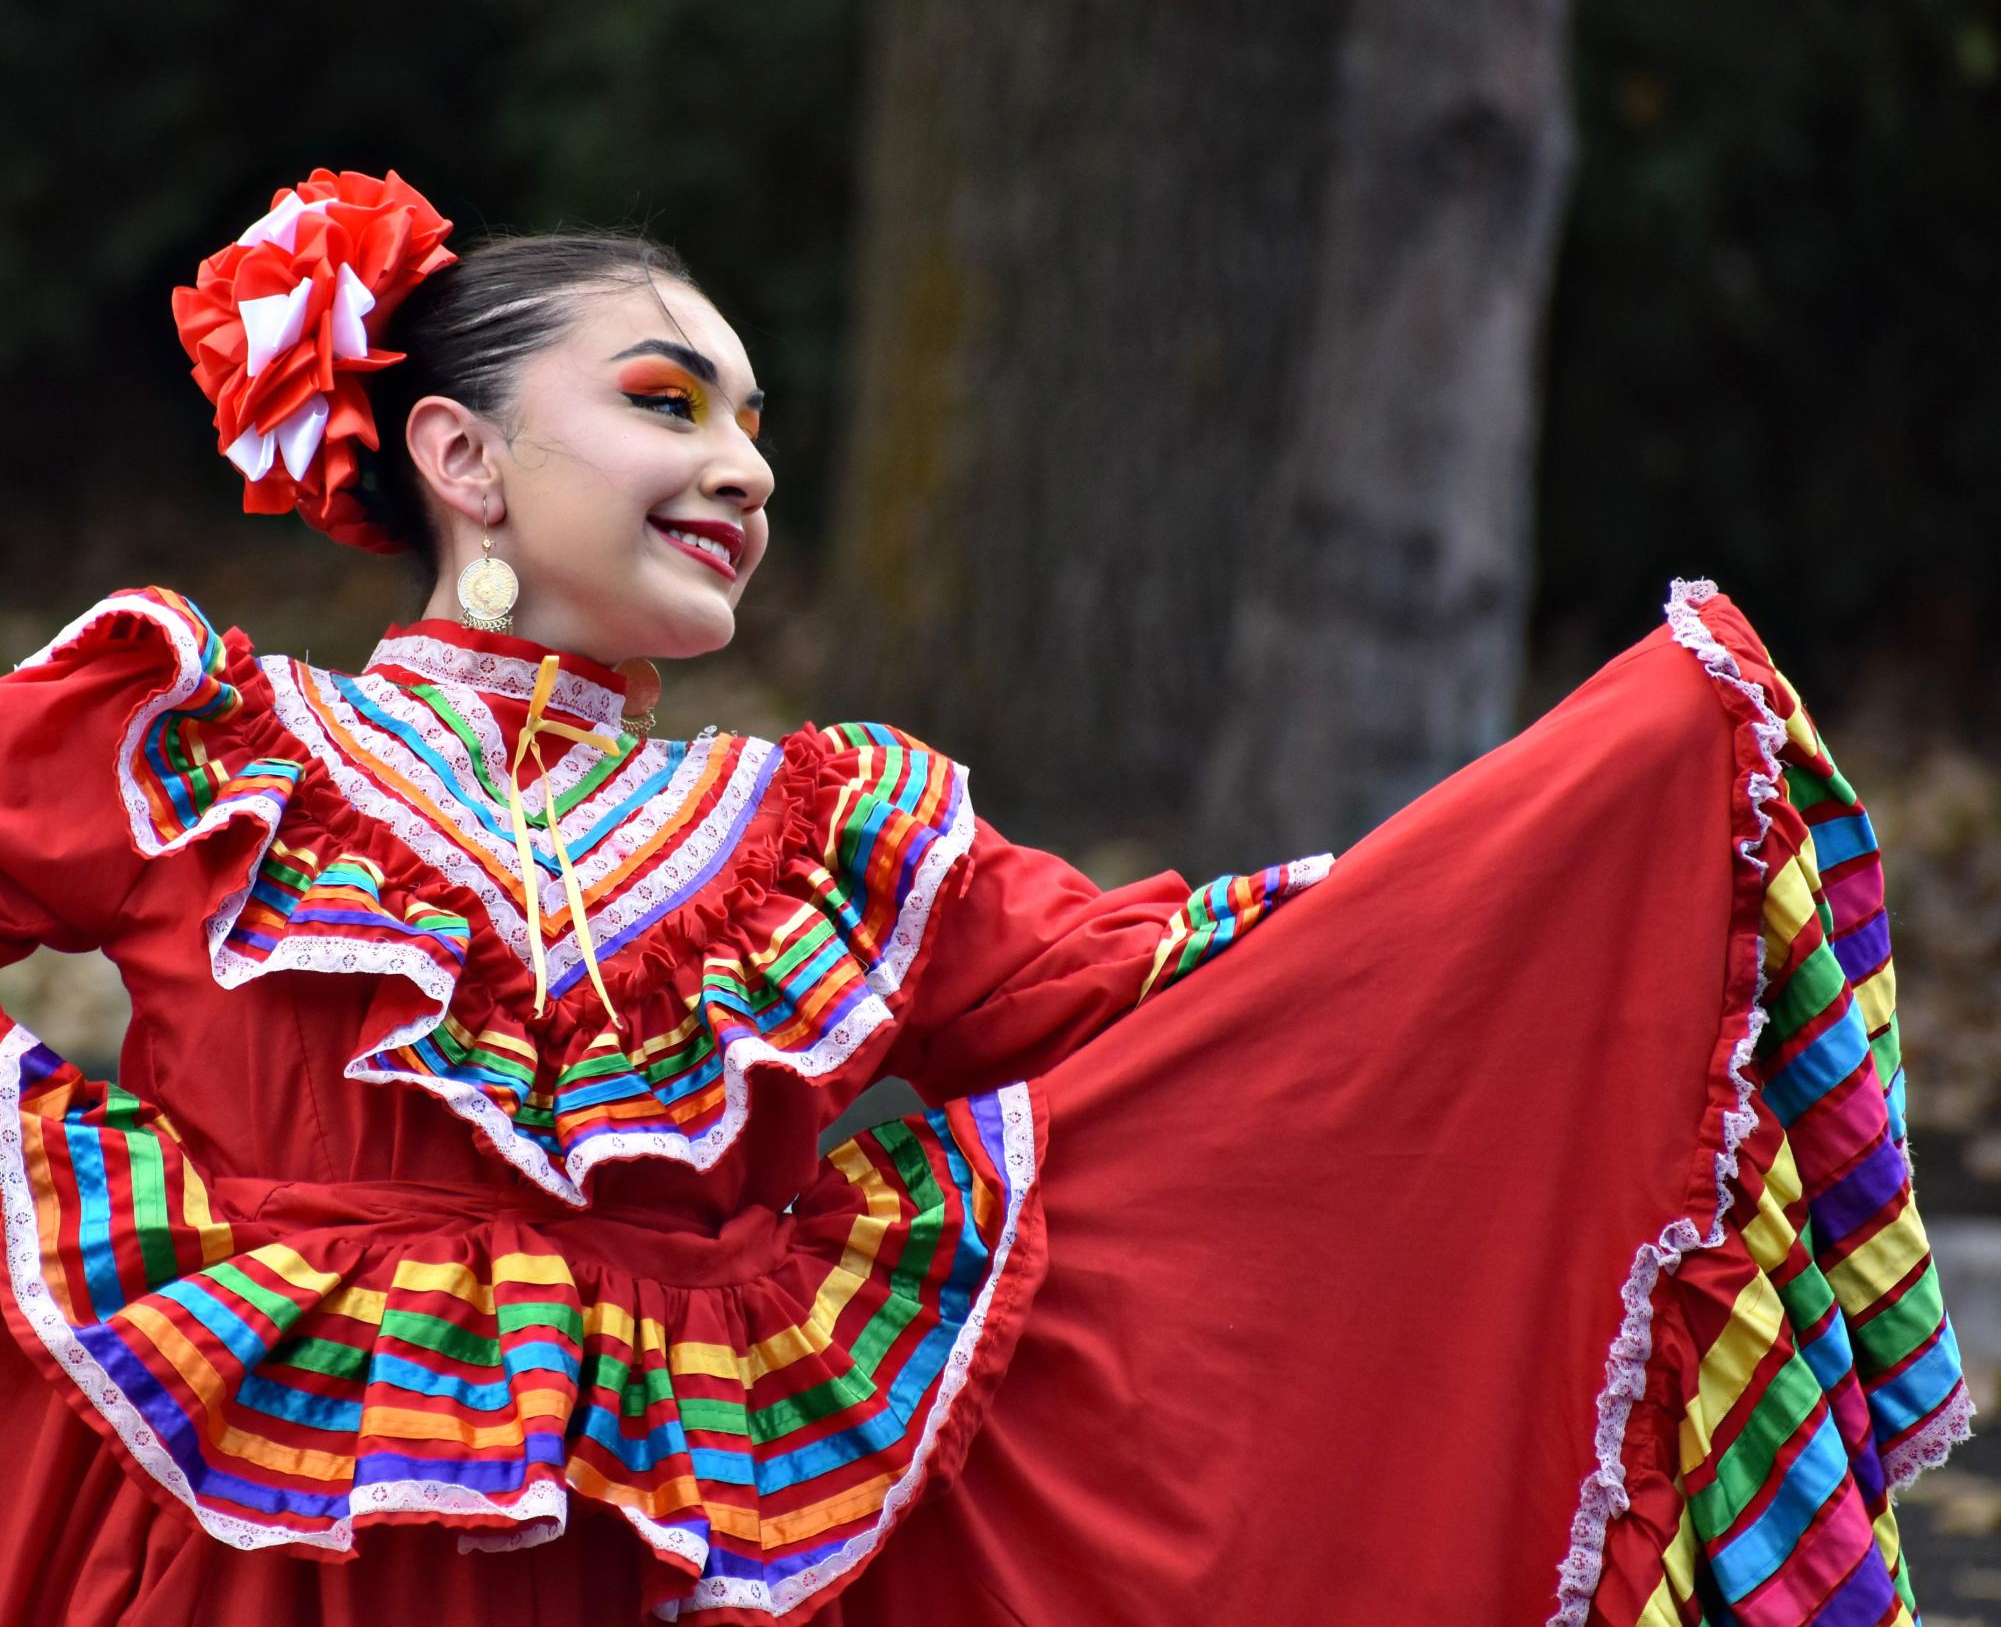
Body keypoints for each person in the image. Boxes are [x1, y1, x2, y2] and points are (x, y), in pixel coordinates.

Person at [0, 169, 1968, 1626]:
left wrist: (1560, 850)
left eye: (758, 426)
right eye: (670, 402)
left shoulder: (822, 834)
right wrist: (61, 1195)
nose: (742, 468)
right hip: (237, 1550)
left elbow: (1194, 992)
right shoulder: (202, 746)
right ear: (462, 455)